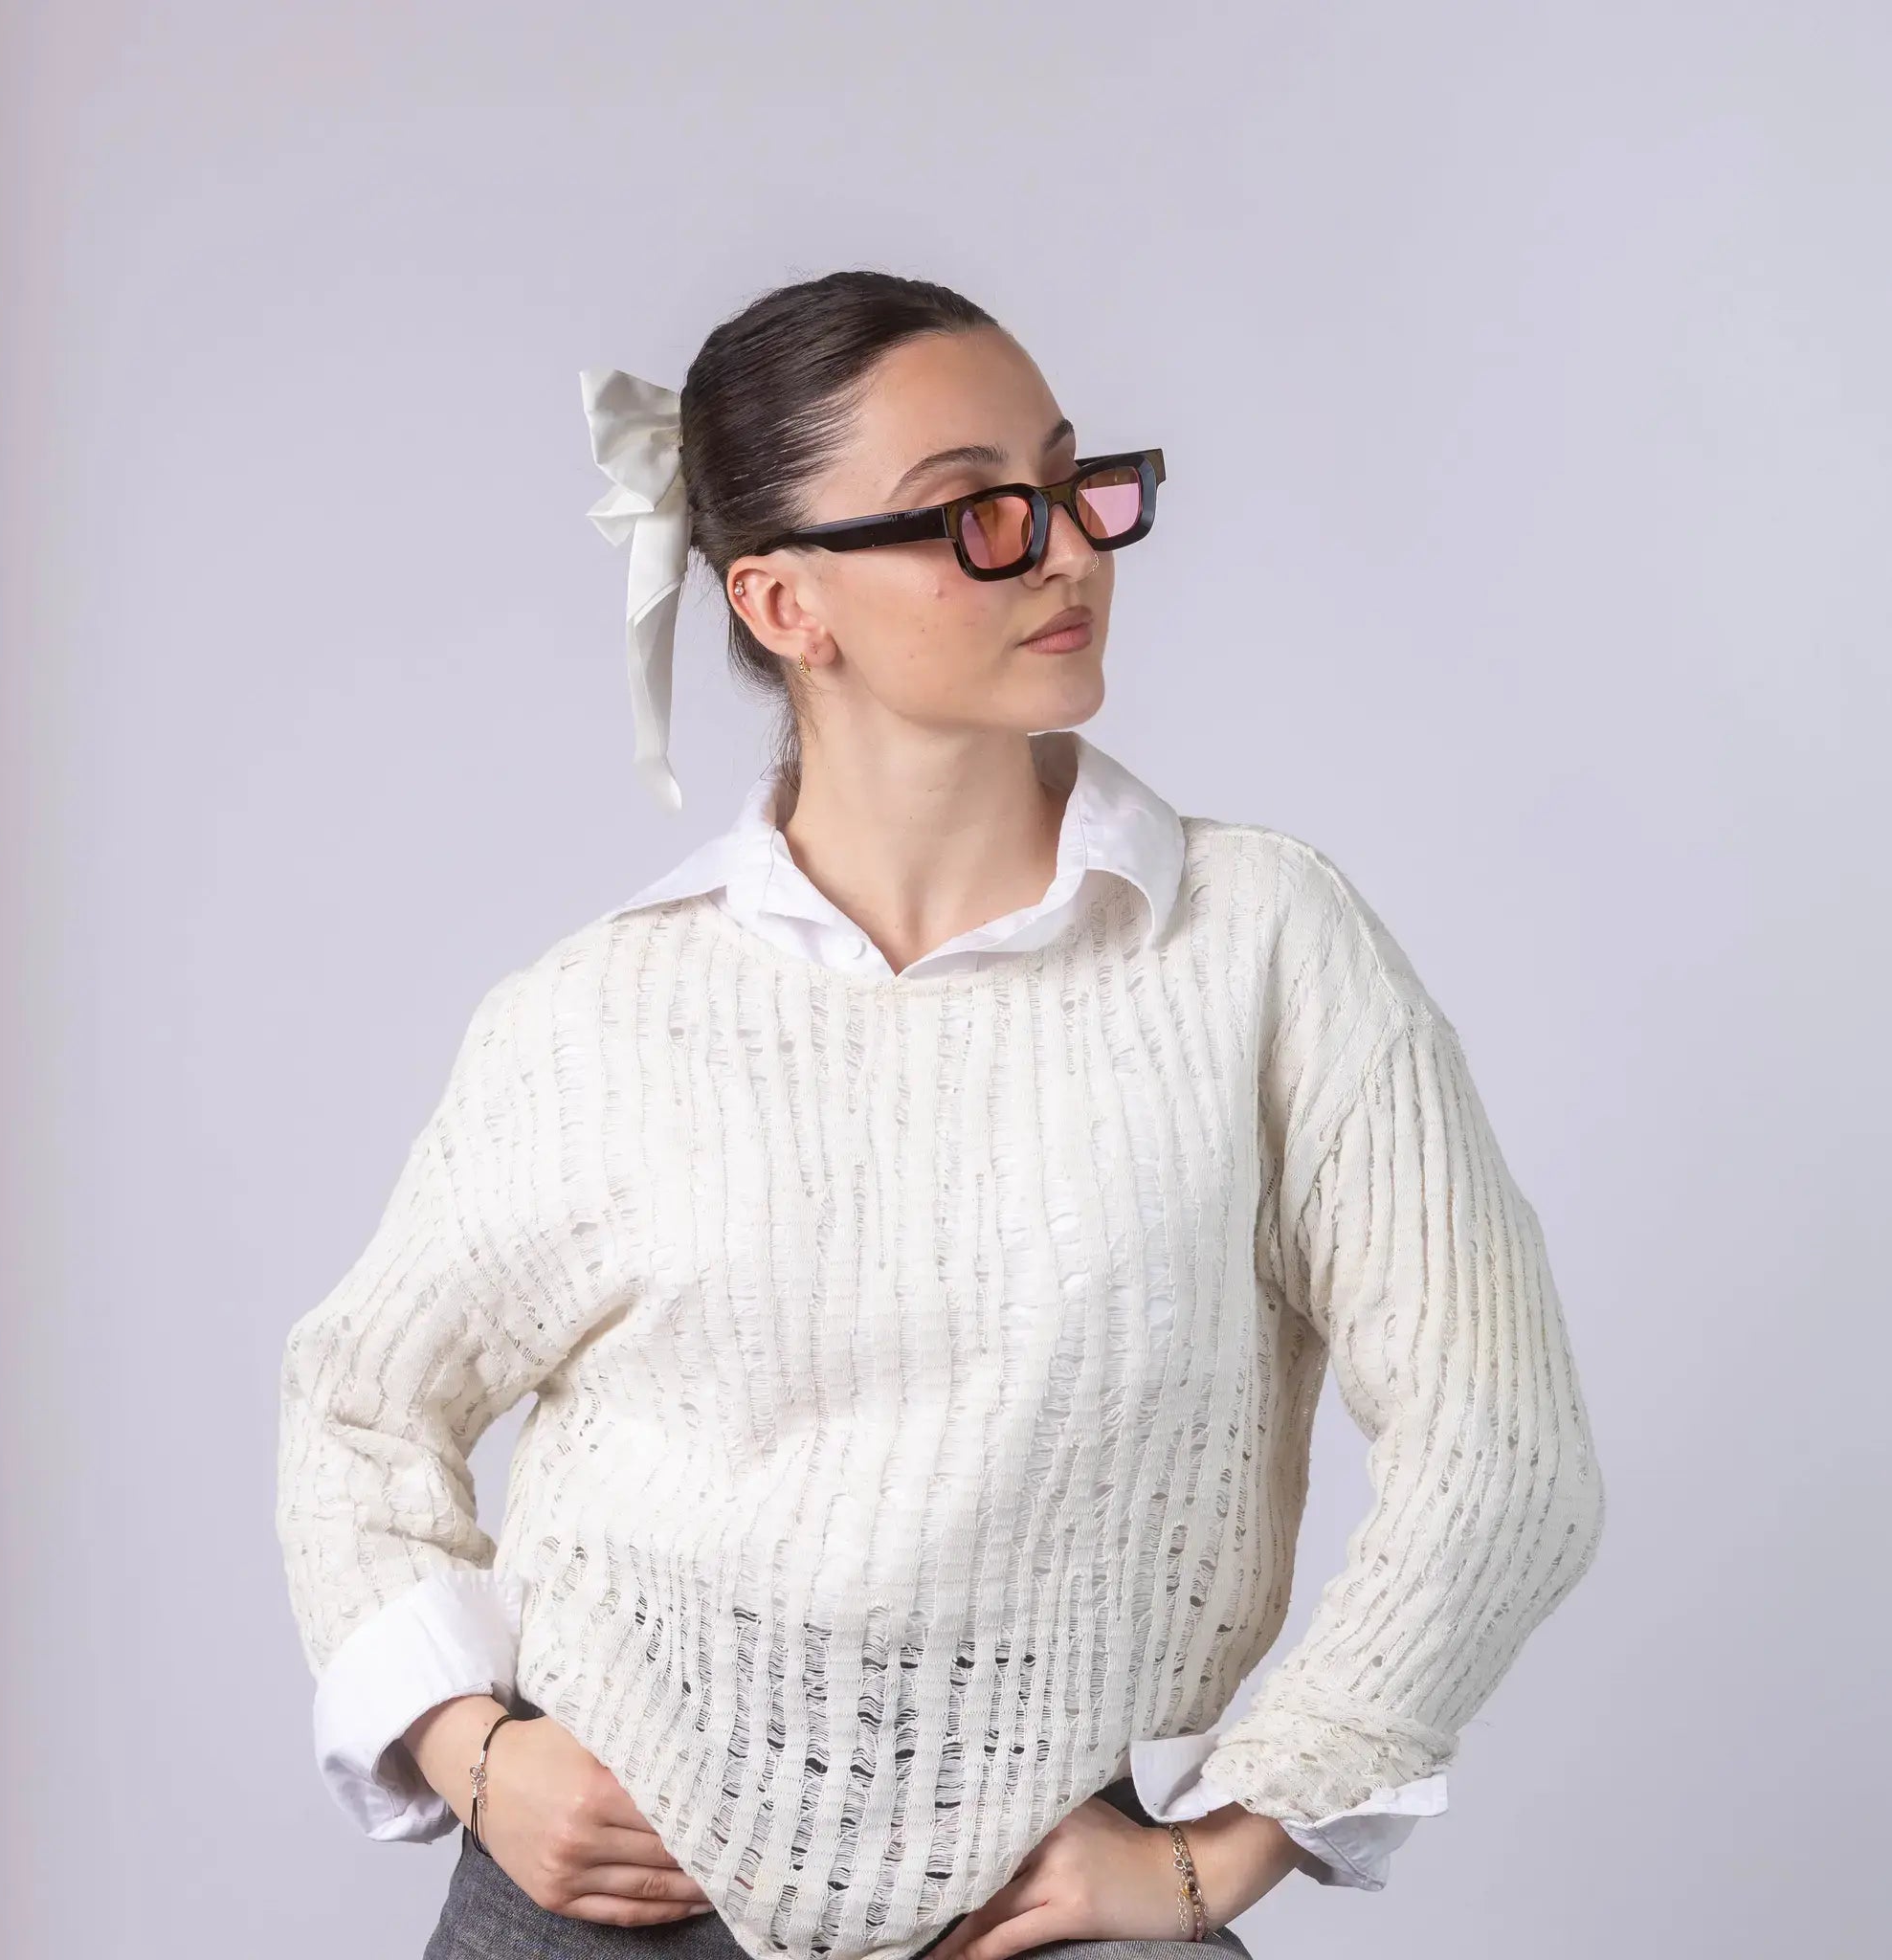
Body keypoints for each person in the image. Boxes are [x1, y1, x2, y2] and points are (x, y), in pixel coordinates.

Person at [275, 268, 1607, 1960]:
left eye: (1070, 484)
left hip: (1056, 1922)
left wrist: (1216, 1854)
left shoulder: (1261, 945)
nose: (1066, 548)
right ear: (781, 601)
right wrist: (472, 1752)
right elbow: (356, 1417)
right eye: (975, 510)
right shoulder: (598, 1014)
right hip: (605, 1916)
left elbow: (1505, 1455)